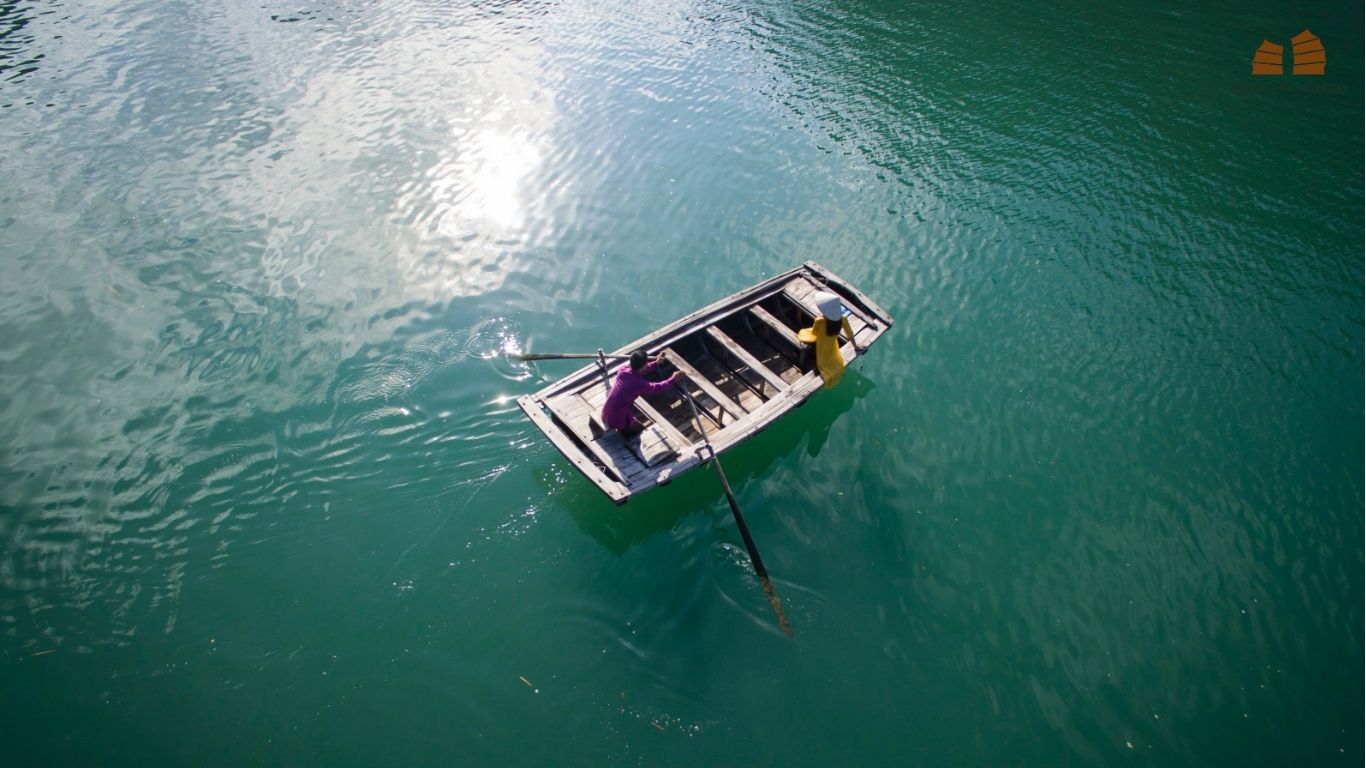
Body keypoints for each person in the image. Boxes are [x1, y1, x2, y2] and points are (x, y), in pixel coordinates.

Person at [601, 350, 683, 437]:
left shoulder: (622, 370)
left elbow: (639, 370)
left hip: (605, 412)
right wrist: (673, 379)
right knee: (639, 429)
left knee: (630, 417)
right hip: (616, 420)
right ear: (643, 365)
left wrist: (656, 363)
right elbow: (657, 387)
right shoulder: (639, 384)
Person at [799, 291, 860, 389]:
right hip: (832, 344)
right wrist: (856, 346)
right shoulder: (843, 319)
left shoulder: (819, 320)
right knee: (828, 359)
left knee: (805, 335)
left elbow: (814, 333)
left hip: (821, 344)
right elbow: (850, 334)